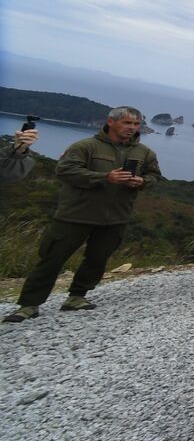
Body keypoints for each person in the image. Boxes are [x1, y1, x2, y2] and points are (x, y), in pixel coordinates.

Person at [6, 108, 161, 322]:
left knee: (97, 259)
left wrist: (143, 182)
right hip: (75, 215)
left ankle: (77, 297)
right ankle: (29, 305)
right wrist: (105, 177)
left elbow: (154, 175)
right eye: (127, 123)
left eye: (136, 124)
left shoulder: (144, 152)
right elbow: (65, 171)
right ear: (111, 122)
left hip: (116, 217)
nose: (132, 128)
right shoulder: (86, 146)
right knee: (52, 259)